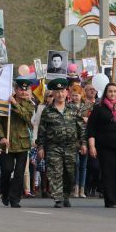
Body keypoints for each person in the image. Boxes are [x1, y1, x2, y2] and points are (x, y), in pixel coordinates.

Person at [36, 78, 86, 208]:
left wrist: (84, 143)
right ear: (53, 93)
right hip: (53, 147)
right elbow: (42, 130)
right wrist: (40, 147)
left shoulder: (73, 109)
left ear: (67, 92)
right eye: (57, 92)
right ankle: (58, 198)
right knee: (54, 172)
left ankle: (65, 195)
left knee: (69, 173)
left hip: (70, 147)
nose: (60, 94)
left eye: (63, 91)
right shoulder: (47, 111)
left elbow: (81, 127)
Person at [0, 77, 35, 208]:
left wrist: (15, 104)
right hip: (7, 142)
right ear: (15, 89)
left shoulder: (29, 104)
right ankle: (5, 192)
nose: (23, 93)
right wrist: (1, 137)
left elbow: (26, 117)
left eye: (26, 90)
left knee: (19, 173)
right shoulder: (4, 103)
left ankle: (15, 198)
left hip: (22, 143)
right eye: (21, 90)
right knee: (7, 170)